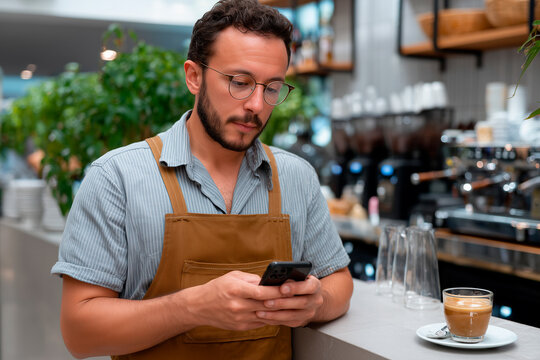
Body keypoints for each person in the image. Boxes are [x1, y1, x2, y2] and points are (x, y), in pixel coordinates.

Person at [51, 0, 353, 359]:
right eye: (240, 82)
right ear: (194, 76)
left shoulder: (296, 176)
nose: (257, 104)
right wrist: (193, 307)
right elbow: (79, 332)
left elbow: (339, 281)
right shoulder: (117, 177)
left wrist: (316, 303)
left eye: (272, 88)